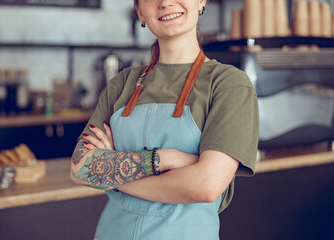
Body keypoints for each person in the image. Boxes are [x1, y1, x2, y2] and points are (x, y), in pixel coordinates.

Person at [70, 0, 259, 239]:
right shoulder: (122, 83)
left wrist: (114, 178)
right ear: (139, 11)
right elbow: (81, 168)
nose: (166, 2)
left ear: (201, 1)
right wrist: (162, 159)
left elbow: (207, 185)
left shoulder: (228, 84)